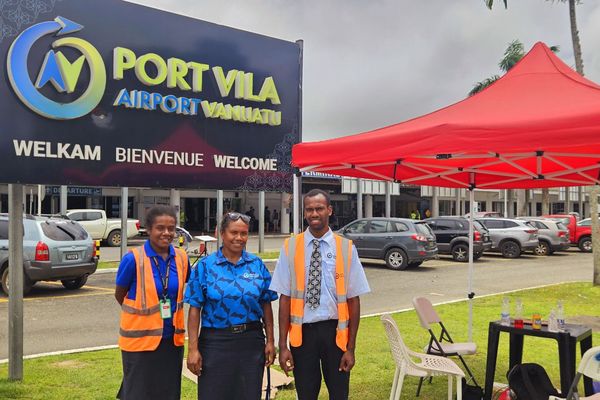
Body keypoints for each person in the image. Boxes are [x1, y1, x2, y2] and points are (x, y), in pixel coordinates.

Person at [270, 189, 370, 400]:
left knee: (339, 393)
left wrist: (351, 348)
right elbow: (285, 298)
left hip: (336, 335)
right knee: (306, 394)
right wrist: (282, 345)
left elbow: (354, 300)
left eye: (319, 208)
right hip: (302, 336)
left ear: (329, 210)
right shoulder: (290, 247)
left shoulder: (346, 247)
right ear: (304, 213)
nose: (314, 213)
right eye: (309, 209)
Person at [185, 212, 278, 400]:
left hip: (251, 341)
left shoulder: (256, 264)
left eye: (244, 233)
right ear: (221, 233)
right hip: (215, 343)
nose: (239, 238)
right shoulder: (205, 266)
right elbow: (194, 309)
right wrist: (193, 349)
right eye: (233, 232)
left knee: (248, 394)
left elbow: (266, 304)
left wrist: (270, 341)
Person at [115, 205, 190, 400]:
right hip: (139, 342)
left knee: (168, 392)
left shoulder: (181, 257)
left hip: (171, 340)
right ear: (148, 229)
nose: (167, 233)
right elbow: (120, 295)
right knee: (139, 393)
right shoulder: (133, 259)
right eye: (160, 228)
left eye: (171, 228)